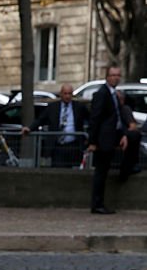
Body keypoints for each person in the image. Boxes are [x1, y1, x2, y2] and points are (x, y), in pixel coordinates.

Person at [88, 63, 129, 214]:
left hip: (111, 137)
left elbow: (117, 118)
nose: (116, 78)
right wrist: (92, 141)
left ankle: (99, 202)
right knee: (101, 172)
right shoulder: (102, 94)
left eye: (118, 75)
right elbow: (95, 118)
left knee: (104, 171)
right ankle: (97, 203)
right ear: (107, 76)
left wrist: (122, 134)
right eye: (113, 75)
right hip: (103, 139)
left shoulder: (114, 94)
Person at [24, 83, 89, 167]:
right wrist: (29, 128)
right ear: (61, 94)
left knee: (73, 170)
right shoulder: (53, 107)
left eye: (69, 93)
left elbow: (90, 119)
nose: (67, 96)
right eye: (65, 93)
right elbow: (40, 120)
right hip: (57, 146)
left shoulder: (79, 107)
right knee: (58, 168)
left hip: (73, 145)